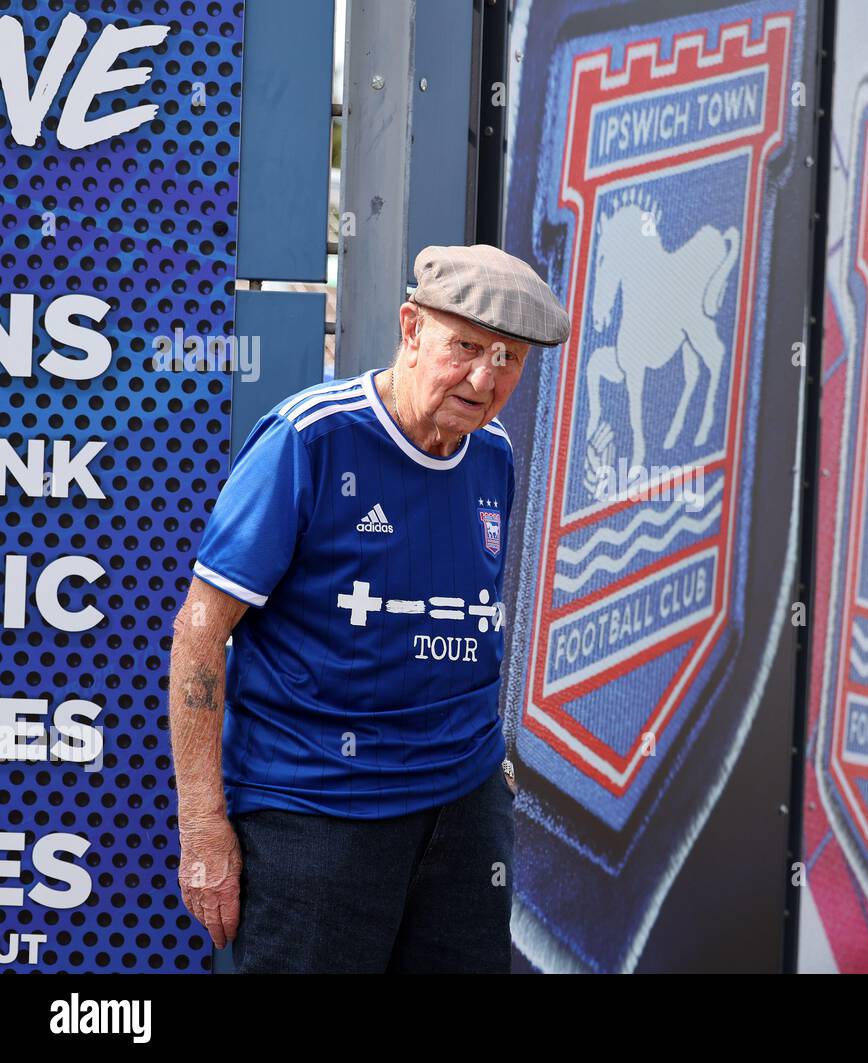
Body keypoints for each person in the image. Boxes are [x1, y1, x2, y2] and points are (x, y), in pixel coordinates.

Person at [166, 244, 570, 972]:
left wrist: (488, 757)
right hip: (317, 810)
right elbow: (200, 634)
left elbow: (470, 611)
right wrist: (202, 825)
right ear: (411, 329)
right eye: (467, 347)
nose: (485, 378)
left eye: (509, 358)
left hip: (462, 810)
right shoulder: (310, 438)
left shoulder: (492, 453)